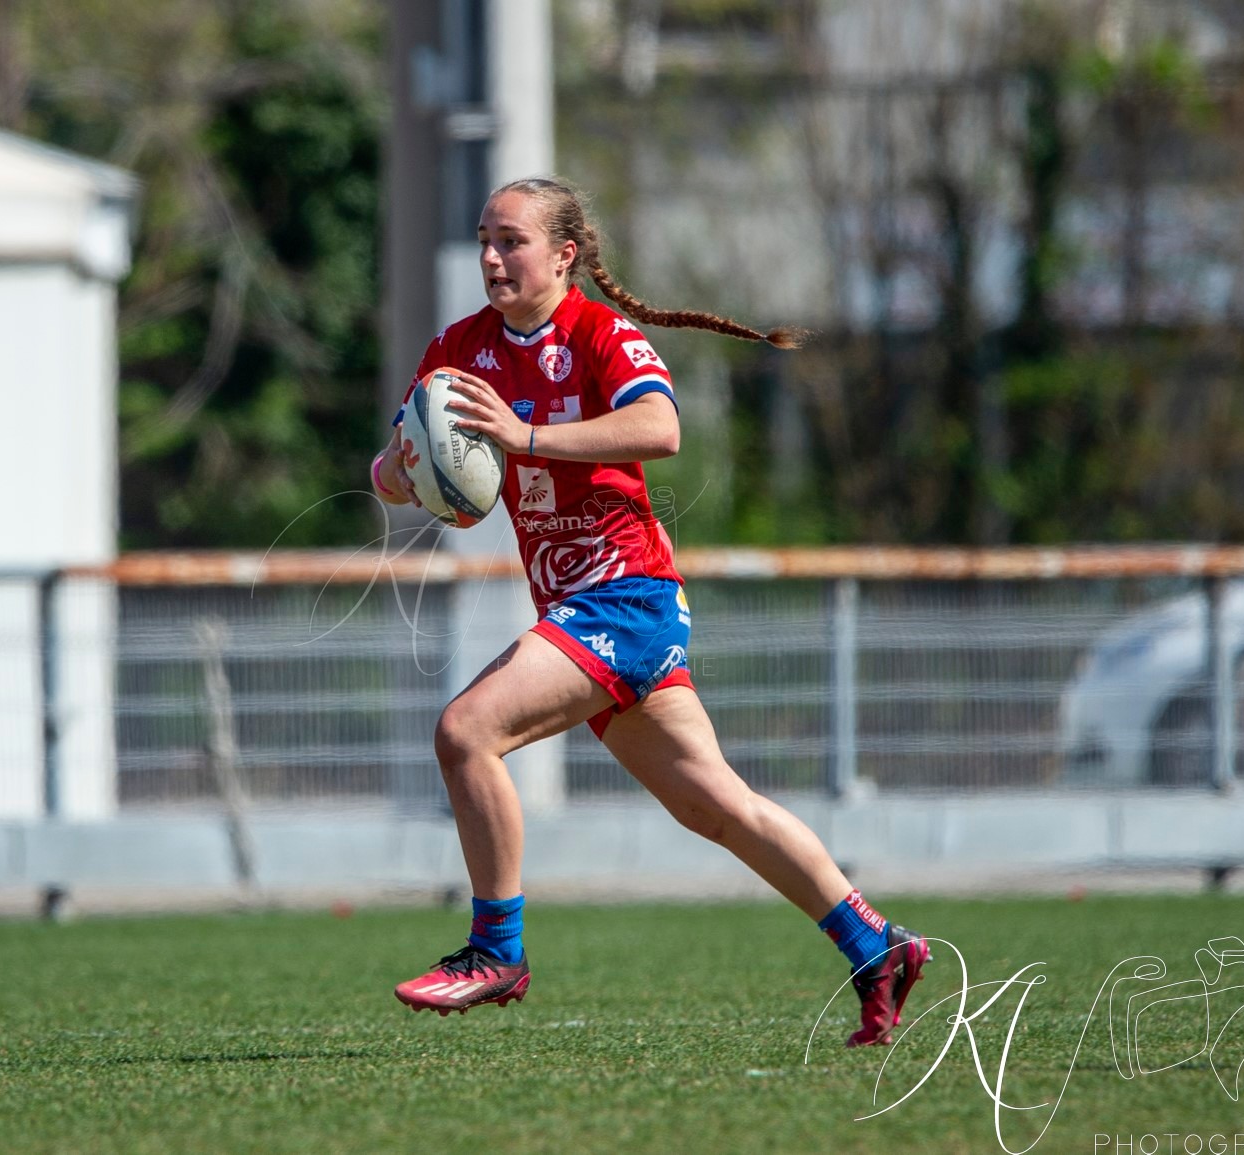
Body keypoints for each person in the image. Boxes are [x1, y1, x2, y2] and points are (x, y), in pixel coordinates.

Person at [369, 176, 927, 1047]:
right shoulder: (459, 349)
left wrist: (523, 439)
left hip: (623, 597)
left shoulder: (597, 332)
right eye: (483, 237)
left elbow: (661, 426)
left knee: (466, 732)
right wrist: (408, 468)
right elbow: (392, 469)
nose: (490, 255)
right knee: (715, 805)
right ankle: (876, 944)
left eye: (511, 240)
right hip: (585, 607)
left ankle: (495, 951)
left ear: (563, 255)